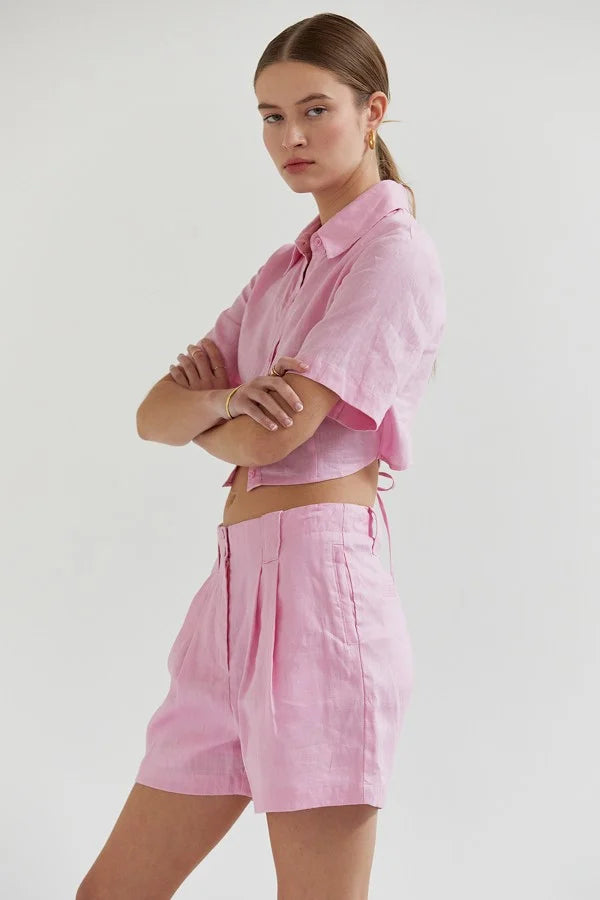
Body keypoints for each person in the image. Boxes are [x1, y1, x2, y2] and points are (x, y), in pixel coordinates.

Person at [76, 13, 446, 900]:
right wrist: (226, 403)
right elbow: (151, 415)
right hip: (232, 591)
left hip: (321, 591)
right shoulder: (284, 270)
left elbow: (276, 435)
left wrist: (219, 416)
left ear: (373, 111)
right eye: (271, 117)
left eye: (315, 110)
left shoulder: (394, 256)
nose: (290, 138)